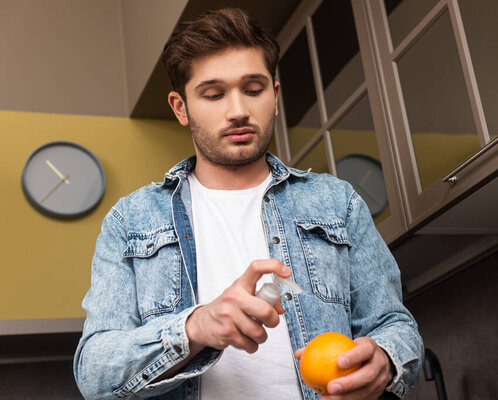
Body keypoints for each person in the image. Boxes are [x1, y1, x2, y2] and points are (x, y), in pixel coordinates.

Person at [74, 8, 423, 400]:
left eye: (253, 89)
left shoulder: (337, 203)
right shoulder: (130, 221)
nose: (238, 110)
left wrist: (386, 359)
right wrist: (194, 328)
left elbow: (395, 325)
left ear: (274, 96)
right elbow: (94, 372)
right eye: (213, 94)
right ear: (180, 108)